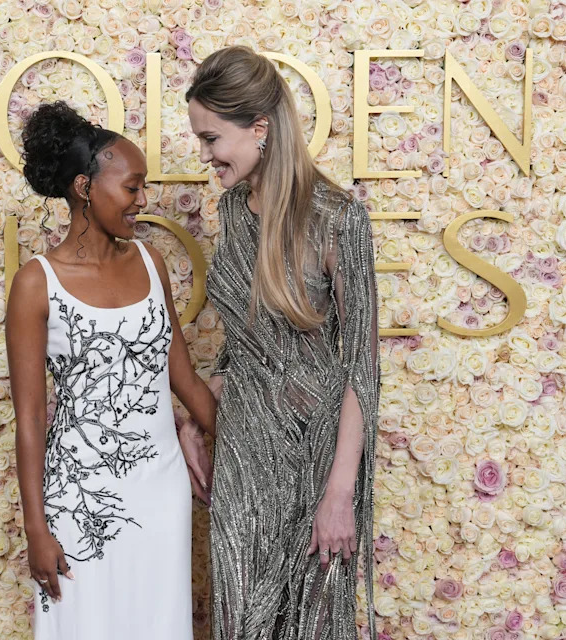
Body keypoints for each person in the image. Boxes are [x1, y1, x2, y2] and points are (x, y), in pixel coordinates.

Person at [185, 46, 380, 639]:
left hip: (320, 458)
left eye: (212, 138)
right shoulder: (234, 212)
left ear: (260, 128)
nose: (207, 155)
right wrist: (196, 419)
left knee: (316, 624)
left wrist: (340, 494)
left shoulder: (336, 216)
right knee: (241, 621)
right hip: (245, 455)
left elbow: (361, 368)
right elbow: (247, 343)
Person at [5, 101, 216, 640]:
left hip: (161, 491)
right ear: (83, 187)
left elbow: (184, 379)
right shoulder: (37, 282)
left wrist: (254, 450)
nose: (142, 202)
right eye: (132, 187)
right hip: (77, 498)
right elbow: (29, 419)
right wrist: (37, 528)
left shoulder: (151, 263)